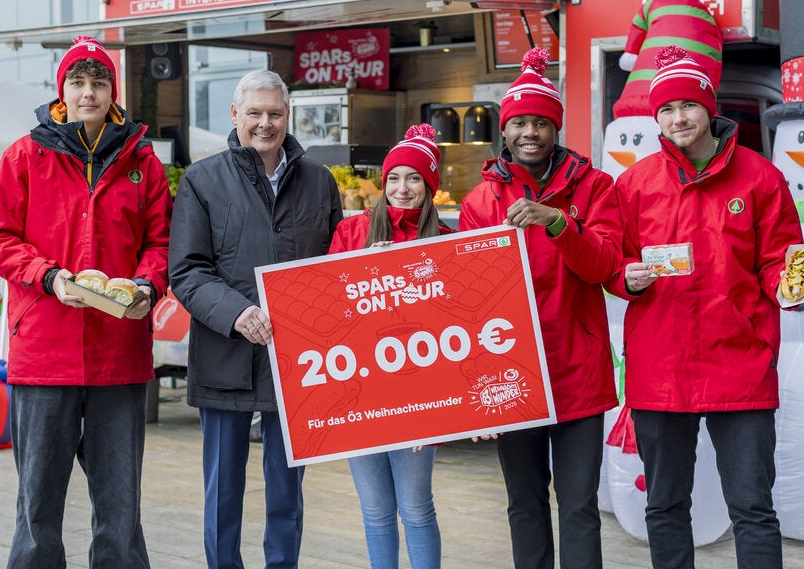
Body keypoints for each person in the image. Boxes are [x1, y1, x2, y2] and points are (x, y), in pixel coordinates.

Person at [605, 45, 804, 569]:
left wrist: (791, 285)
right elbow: (612, 261)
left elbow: (777, 260)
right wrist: (624, 278)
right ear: (656, 117)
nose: (678, 118)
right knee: (665, 504)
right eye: (666, 109)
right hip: (661, 364)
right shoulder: (634, 183)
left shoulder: (760, 177)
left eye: (688, 106)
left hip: (741, 360)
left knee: (753, 507)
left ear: (709, 107)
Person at [0, 35, 172, 568]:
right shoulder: (24, 155)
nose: (89, 93)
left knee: (120, 510)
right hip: (44, 354)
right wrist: (48, 276)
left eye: (99, 82)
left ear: (113, 91)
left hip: (119, 355)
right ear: (61, 90)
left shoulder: (144, 163)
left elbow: (162, 244)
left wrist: (147, 286)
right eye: (78, 82)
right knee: (37, 508)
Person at [168, 68, 343, 569]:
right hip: (225, 357)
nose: (265, 123)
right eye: (255, 113)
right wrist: (236, 312)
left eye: (275, 114)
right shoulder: (202, 180)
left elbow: (337, 263)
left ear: (288, 116)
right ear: (234, 115)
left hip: (298, 363)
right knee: (223, 492)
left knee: (287, 492)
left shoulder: (319, 181)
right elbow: (186, 270)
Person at [459, 47, 623, 569]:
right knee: (524, 503)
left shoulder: (595, 188)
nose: (530, 133)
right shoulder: (480, 202)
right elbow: (469, 297)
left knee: (579, 506)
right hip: (512, 375)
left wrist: (558, 223)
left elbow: (604, 266)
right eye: (520, 123)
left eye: (541, 123)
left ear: (556, 129)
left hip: (578, 369)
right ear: (504, 130)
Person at [328, 123, 451, 569]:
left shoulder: (446, 242)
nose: (402, 188)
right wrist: (361, 268)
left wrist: (442, 410)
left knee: (416, 508)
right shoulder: (352, 232)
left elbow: (454, 324)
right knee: (376, 511)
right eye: (394, 178)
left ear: (429, 185)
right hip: (360, 391)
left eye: (414, 178)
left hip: (418, 397)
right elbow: (327, 310)